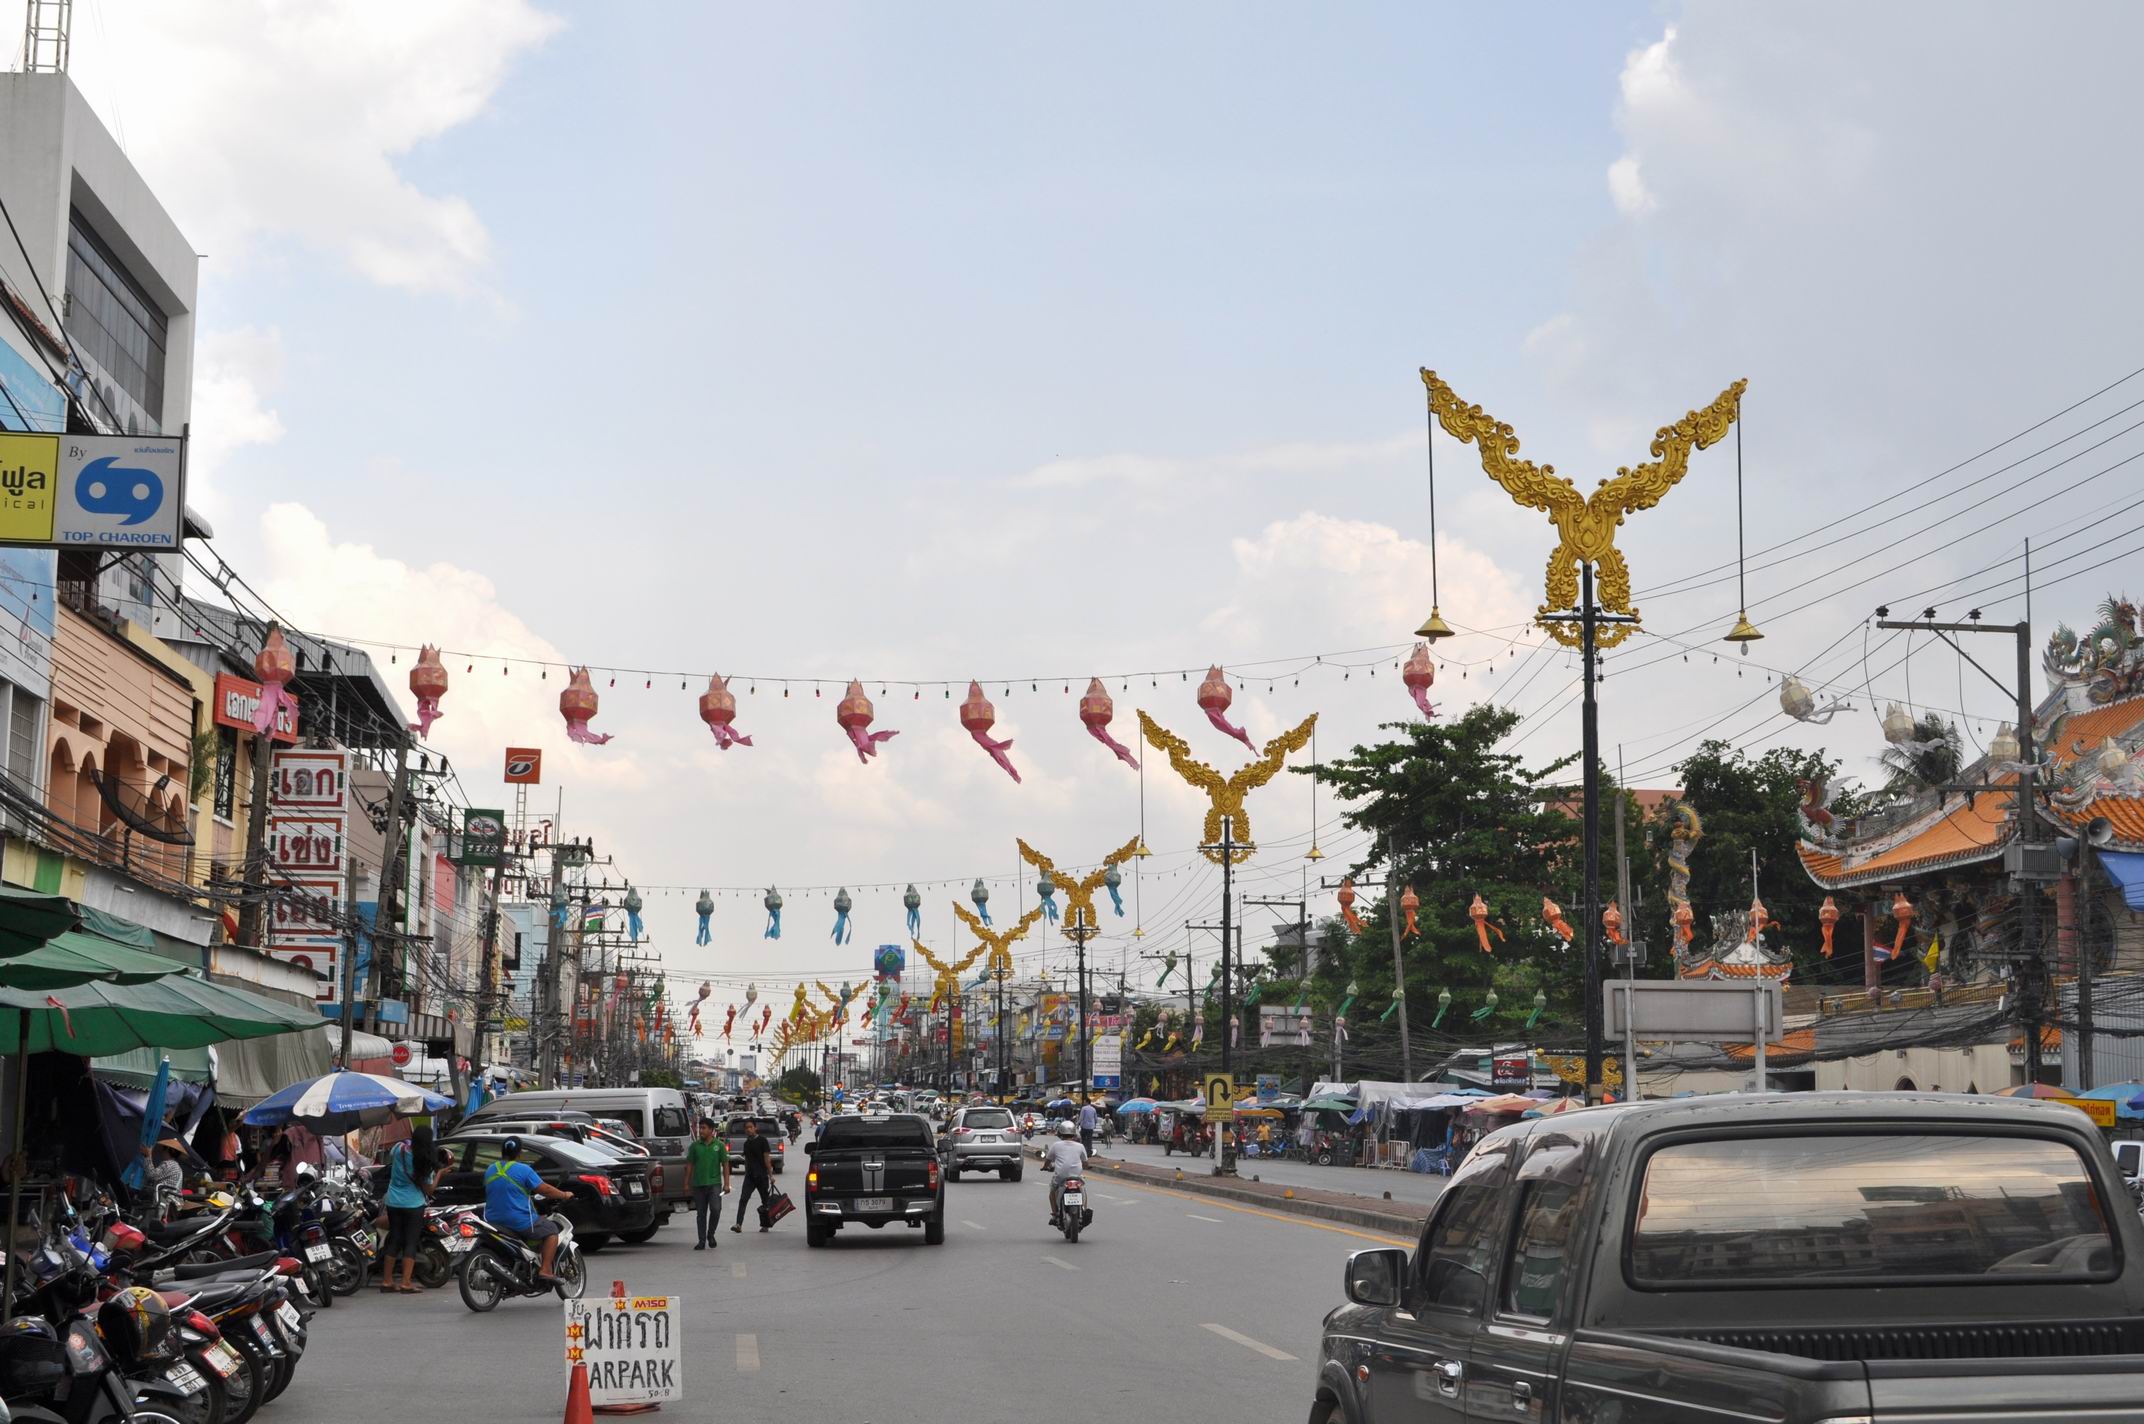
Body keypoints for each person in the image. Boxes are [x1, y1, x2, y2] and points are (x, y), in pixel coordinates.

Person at [484, 1138, 574, 1282]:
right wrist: (564, 1194)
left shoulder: (490, 1169)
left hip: (492, 1220)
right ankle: (545, 1270)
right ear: (519, 1153)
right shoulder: (524, 1170)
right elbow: (546, 1189)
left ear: (502, 1152)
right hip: (518, 1221)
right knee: (551, 1230)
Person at [380, 1126, 437, 1294]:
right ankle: (406, 1283)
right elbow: (429, 1190)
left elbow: (391, 1156)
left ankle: (387, 1281)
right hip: (413, 1204)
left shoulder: (399, 1148)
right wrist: (440, 1173)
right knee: (410, 1242)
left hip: (393, 1201)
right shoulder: (424, 1160)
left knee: (395, 1240)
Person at [686, 1118, 730, 1250]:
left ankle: (711, 1234)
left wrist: (727, 1184)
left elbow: (726, 1164)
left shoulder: (719, 1145)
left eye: (704, 1128)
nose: (701, 1131)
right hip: (698, 1184)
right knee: (701, 1214)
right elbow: (689, 1165)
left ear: (711, 1130)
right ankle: (701, 1241)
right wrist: (686, 1183)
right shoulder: (695, 1146)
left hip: (714, 1184)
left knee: (716, 1210)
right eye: (700, 1128)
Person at [730, 1118, 774, 1233]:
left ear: (755, 1128)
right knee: (743, 1199)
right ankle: (738, 1224)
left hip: (762, 1176)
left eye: (750, 1127)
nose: (748, 1130)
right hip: (750, 1177)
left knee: (765, 1201)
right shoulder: (746, 1143)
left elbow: (767, 1159)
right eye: (746, 1128)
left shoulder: (762, 1141)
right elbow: (747, 1160)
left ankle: (766, 1225)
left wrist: (771, 1175)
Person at [1041, 1121, 1087, 1226]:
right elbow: (1085, 1162)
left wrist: (1045, 1167)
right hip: (1077, 1176)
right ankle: (1084, 1209)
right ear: (1074, 1133)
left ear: (1060, 1133)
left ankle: (1054, 1214)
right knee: (1083, 1189)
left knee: (1052, 1192)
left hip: (1061, 1176)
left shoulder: (1056, 1145)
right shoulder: (1080, 1146)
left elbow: (1048, 1160)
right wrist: (1086, 1167)